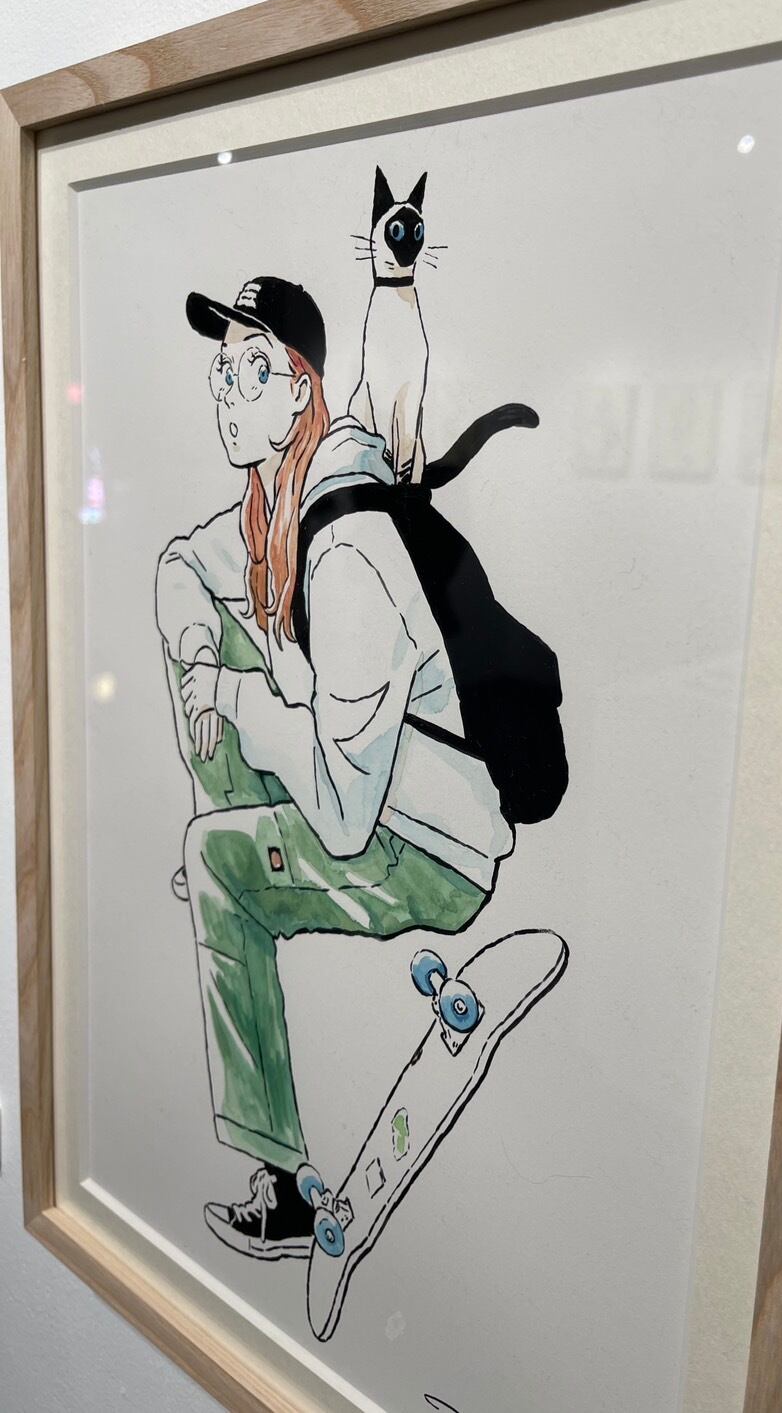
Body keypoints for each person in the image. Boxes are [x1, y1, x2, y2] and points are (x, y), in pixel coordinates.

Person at [155, 276, 513, 1260]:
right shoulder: (271, 506)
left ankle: (283, 1189)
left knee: (217, 864)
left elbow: (348, 820)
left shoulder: (345, 550)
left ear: (300, 389)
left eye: (251, 369)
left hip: (423, 842)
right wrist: (202, 661)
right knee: (212, 651)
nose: (227, 390)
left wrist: (233, 701)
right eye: (221, 370)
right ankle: (235, 854)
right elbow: (180, 564)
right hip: (360, 790)